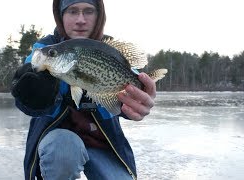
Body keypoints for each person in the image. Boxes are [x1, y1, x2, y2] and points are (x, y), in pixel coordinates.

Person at [11, 0, 157, 179]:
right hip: (57, 143)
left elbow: (128, 86)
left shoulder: (109, 50)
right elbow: (26, 97)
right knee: (63, 151)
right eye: (72, 11)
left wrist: (139, 102)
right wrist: (32, 95)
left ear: (99, 16)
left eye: (88, 11)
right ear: (60, 16)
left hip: (104, 143)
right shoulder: (44, 49)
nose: (80, 20)